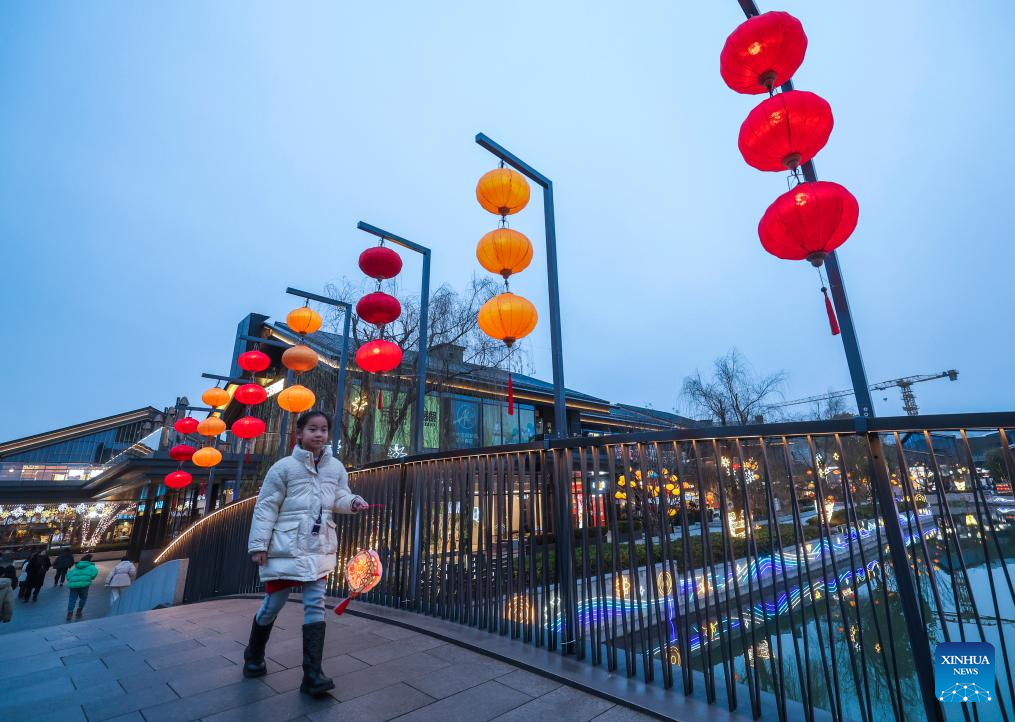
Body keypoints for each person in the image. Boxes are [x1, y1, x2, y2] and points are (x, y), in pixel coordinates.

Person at [244, 410, 368, 696]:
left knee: (315, 604)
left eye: (324, 429)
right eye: (313, 429)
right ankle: (254, 655)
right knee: (272, 605)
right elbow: (266, 508)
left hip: (319, 546)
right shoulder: (283, 468)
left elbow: (338, 496)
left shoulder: (335, 467)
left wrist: (353, 502)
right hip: (285, 547)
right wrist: (259, 546)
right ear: (299, 433)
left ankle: (312, 674)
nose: (319, 434)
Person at [65, 553, 98, 621]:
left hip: (73, 586)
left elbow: (68, 576)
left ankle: (69, 614)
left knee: (72, 599)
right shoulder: (92, 567)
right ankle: (79, 611)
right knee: (83, 598)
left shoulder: (76, 567)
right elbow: (93, 575)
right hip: (84, 585)